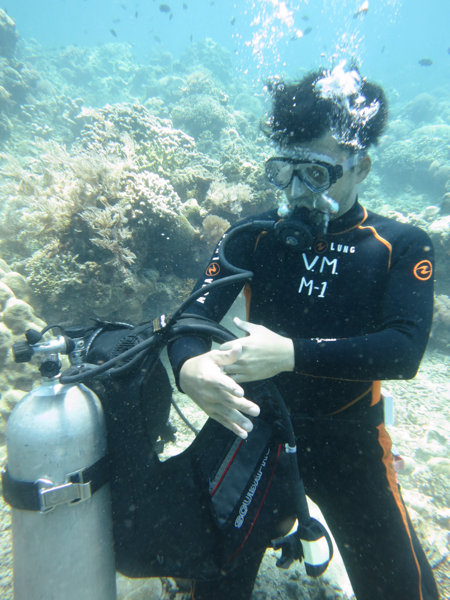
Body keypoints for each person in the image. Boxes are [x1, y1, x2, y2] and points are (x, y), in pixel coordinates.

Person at [168, 66, 440, 600]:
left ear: (360, 167)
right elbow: (189, 319)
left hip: (351, 441)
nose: (296, 192)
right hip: (254, 429)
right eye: (285, 170)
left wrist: (290, 354)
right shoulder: (251, 236)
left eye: (316, 173)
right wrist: (188, 367)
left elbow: (403, 351)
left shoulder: (400, 244)